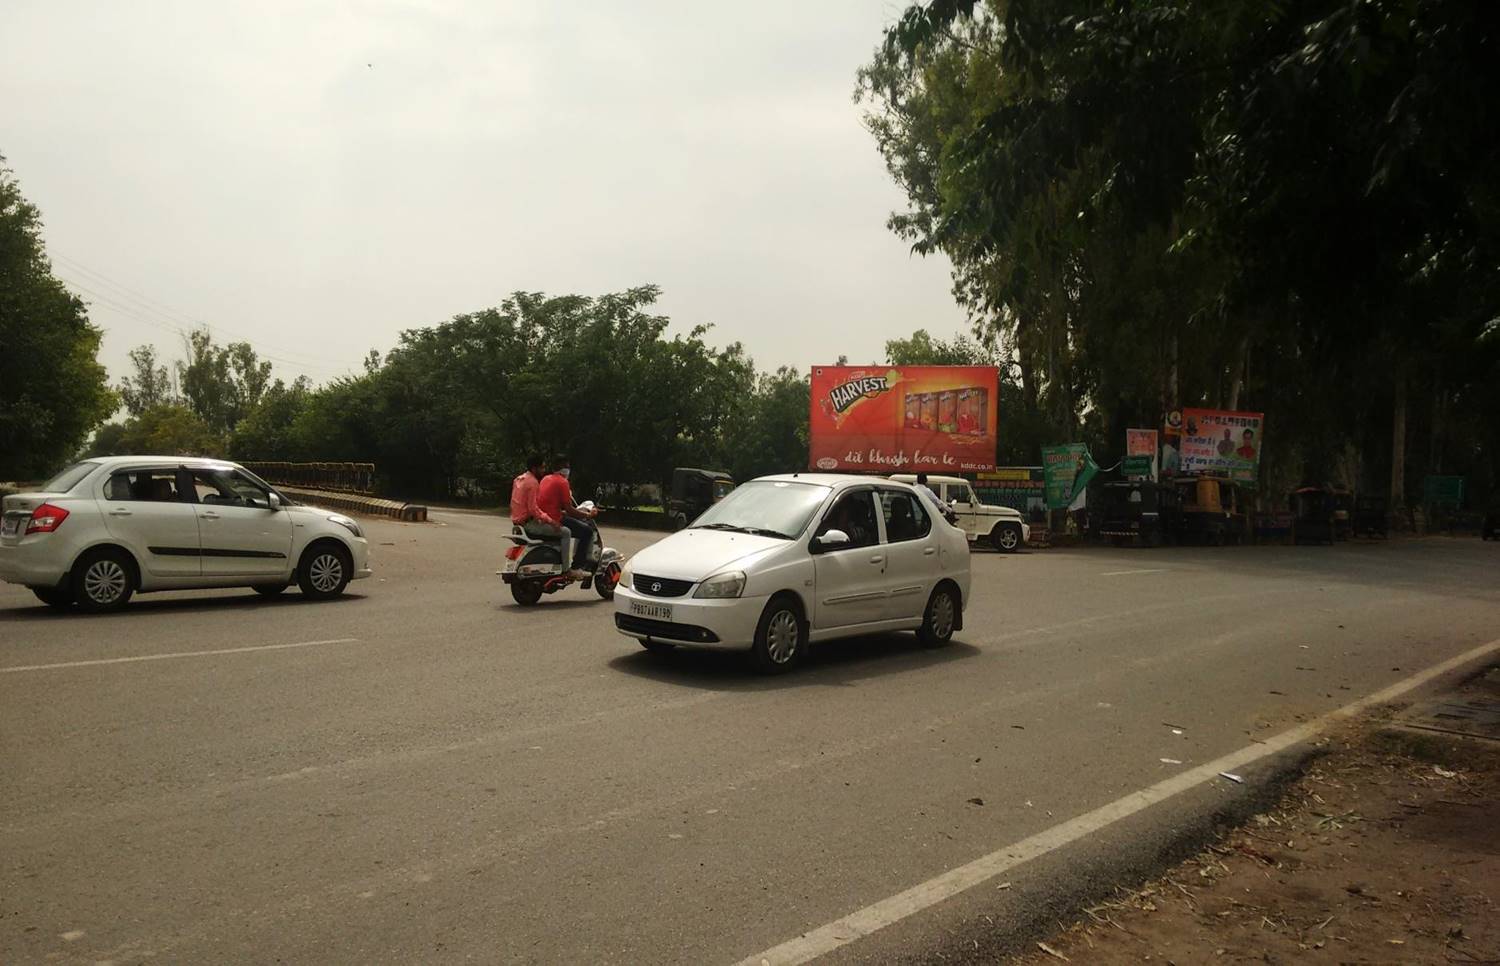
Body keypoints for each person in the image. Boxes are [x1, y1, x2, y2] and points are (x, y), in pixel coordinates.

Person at [537, 454, 597, 578]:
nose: (568, 470)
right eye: (567, 466)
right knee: (587, 531)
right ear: (560, 467)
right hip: (554, 519)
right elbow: (570, 509)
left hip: (545, 516)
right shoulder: (563, 482)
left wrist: (567, 512)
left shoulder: (545, 479)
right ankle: (576, 567)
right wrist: (587, 514)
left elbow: (552, 503)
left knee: (578, 526)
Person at [510, 454, 561, 540]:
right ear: (534, 469)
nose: (543, 471)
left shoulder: (518, 479)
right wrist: (551, 521)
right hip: (528, 525)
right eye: (542, 468)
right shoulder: (533, 483)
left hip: (517, 524)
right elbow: (533, 509)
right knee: (565, 532)